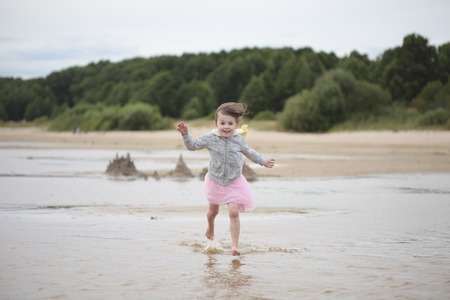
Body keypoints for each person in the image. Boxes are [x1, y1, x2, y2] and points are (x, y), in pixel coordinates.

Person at [176, 102, 275, 256]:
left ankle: (234, 246)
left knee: (234, 212)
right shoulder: (210, 138)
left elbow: (250, 153)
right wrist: (185, 134)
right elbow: (192, 146)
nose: (226, 127)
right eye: (222, 123)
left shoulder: (239, 140)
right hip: (215, 180)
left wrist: (263, 161)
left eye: (230, 123)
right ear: (216, 123)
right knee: (212, 212)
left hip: (234, 181)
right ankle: (210, 226)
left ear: (236, 124)